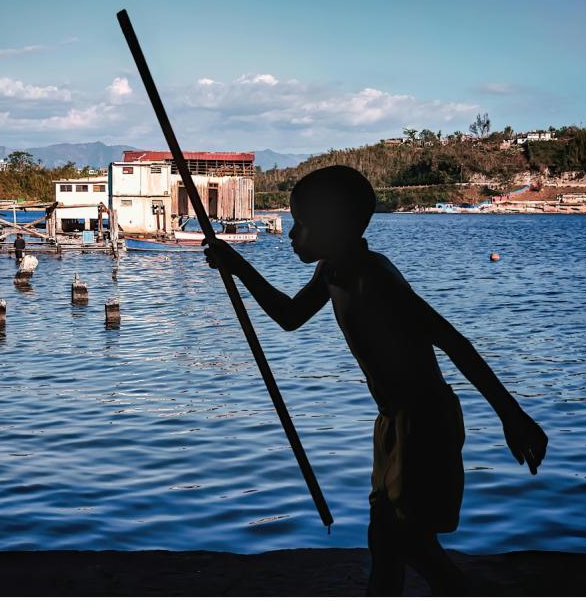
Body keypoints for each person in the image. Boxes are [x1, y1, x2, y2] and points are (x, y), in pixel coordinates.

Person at [204, 165, 548, 595]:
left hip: (423, 424)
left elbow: (453, 342)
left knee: (408, 540)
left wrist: (512, 417)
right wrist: (236, 266)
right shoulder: (332, 272)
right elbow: (289, 317)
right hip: (393, 424)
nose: (291, 235)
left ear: (334, 226)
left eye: (301, 224)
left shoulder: (373, 277)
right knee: (385, 536)